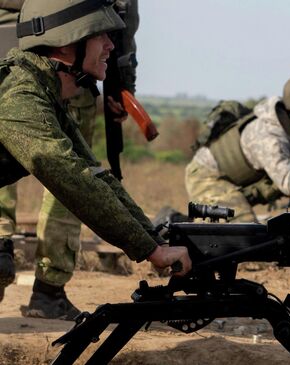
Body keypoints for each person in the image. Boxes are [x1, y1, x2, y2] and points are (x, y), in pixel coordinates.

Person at [0, 0, 192, 320]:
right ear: (67, 41)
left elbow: (94, 175)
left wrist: (154, 241)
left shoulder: (43, 88)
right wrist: (151, 251)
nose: (110, 46)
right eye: (100, 35)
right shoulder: (20, 94)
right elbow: (70, 178)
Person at [185, 72, 290, 222]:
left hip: (235, 179)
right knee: (245, 234)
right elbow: (288, 182)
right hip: (207, 177)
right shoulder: (269, 136)